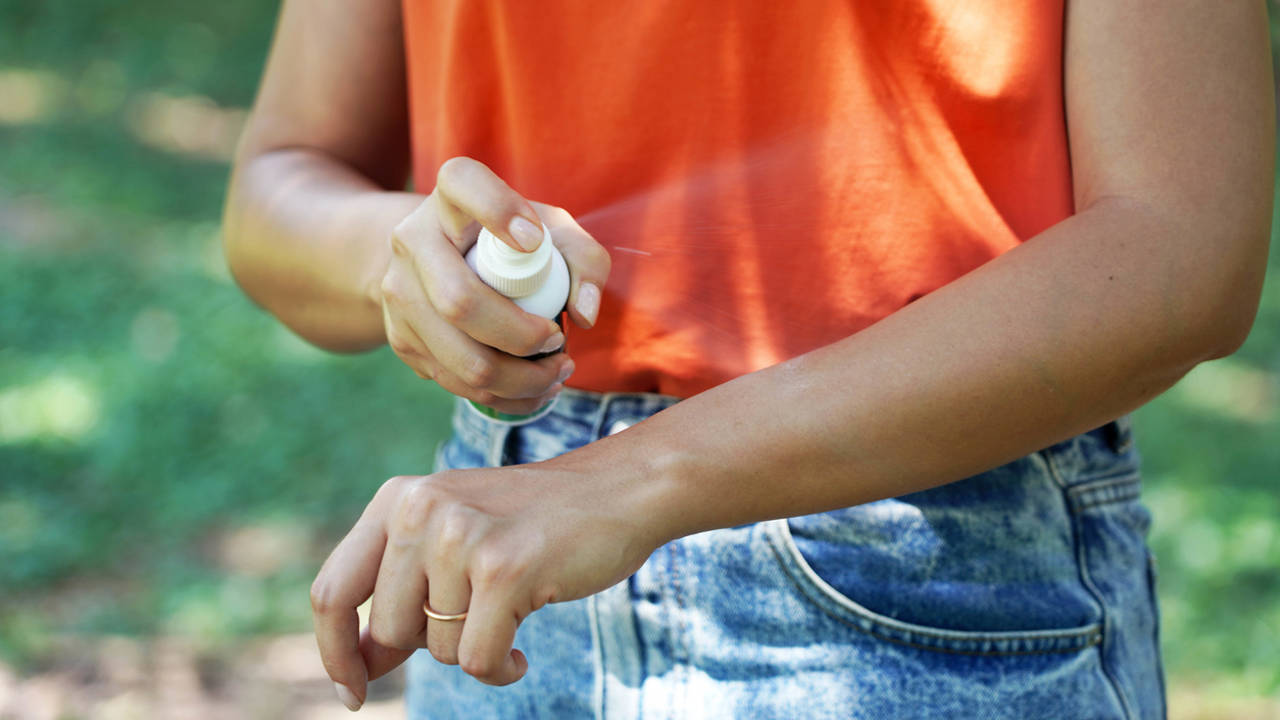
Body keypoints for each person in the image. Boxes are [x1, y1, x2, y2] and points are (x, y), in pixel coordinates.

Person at [222, 2, 1273, 718]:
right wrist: (398, 261)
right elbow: (280, 179)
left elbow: (1182, 247)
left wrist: (626, 482)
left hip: (925, 552)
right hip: (498, 556)